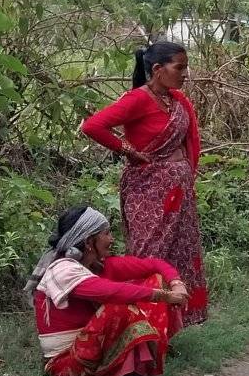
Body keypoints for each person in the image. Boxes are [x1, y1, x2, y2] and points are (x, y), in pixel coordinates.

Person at [80, 41, 208, 327]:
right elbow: (93, 126)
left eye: (186, 68)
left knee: (179, 252)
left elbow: (191, 143)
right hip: (148, 190)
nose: (185, 74)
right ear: (158, 69)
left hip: (179, 191)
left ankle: (169, 326)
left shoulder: (177, 101)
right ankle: (143, 325)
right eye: (179, 68)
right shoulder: (138, 99)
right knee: (150, 253)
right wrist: (127, 149)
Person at [31, 206, 188, 376]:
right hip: (65, 363)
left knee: (155, 281)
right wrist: (165, 296)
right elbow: (111, 292)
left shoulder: (98, 266)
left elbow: (154, 265)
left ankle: (136, 374)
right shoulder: (63, 270)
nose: (111, 239)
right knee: (119, 306)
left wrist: (176, 284)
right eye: (106, 233)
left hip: (89, 348)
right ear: (89, 242)